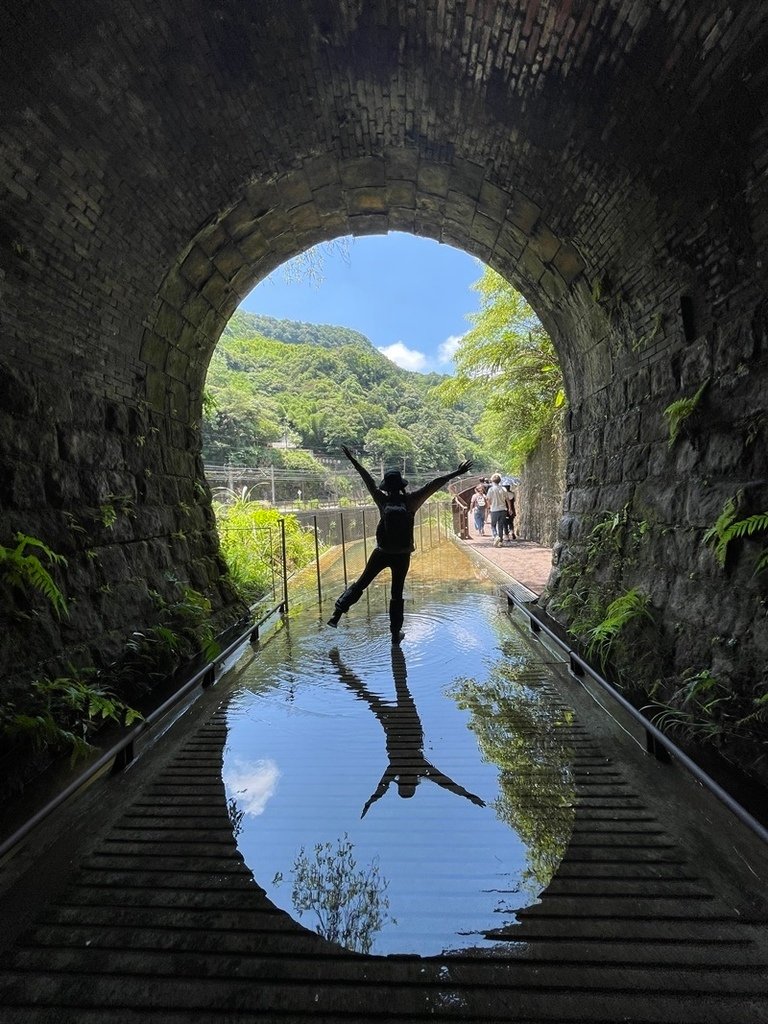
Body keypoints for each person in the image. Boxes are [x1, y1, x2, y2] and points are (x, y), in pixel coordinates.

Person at [327, 445, 473, 641]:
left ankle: (336, 615)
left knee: (361, 583)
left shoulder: (382, 500)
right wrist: (457, 472)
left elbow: (367, 479)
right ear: (402, 485)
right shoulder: (412, 501)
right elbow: (434, 484)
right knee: (396, 593)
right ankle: (396, 634)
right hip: (402, 555)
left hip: (381, 552)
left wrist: (353, 460)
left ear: (386, 487)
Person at [329, 646, 485, 817]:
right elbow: (445, 783)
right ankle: (389, 648)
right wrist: (468, 796)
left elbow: (382, 788)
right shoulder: (413, 768)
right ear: (410, 783)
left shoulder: (406, 768)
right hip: (403, 724)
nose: (406, 780)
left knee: (386, 689)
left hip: (402, 724)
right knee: (378, 691)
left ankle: (385, 649)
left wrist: (372, 801)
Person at [485, 473, 509, 547]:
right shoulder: (504, 489)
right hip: (503, 509)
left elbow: (488, 500)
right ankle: (500, 541)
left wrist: (488, 507)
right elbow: (507, 499)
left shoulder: (491, 489)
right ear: (499, 481)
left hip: (494, 509)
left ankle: (496, 536)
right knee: (500, 526)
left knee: (493, 525)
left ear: (492, 481)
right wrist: (510, 508)